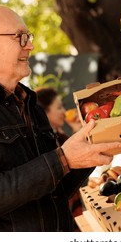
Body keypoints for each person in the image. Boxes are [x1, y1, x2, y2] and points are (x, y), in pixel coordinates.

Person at [0, 5, 121, 231]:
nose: (30, 45)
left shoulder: (30, 103)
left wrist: (95, 145)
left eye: (28, 37)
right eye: (20, 37)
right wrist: (63, 159)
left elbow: (54, 189)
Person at [34, 86, 84, 230]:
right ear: (45, 112)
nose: (64, 111)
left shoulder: (58, 137)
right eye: (59, 107)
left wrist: (76, 129)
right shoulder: (44, 145)